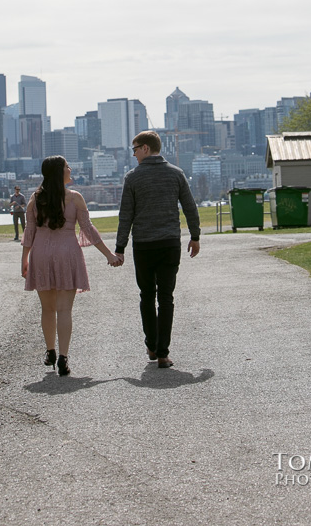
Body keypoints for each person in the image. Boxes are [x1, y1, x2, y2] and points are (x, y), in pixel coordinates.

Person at [21, 155, 121, 376]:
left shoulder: (35, 199)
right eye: (67, 166)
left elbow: (29, 232)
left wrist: (24, 259)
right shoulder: (75, 198)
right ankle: (64, 358)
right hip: (67, 253)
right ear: (60, 172)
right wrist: (109, 255)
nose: (70, 168)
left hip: (41, 254)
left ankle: (50, 351)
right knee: (64, 309)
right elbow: (88, 229)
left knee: (47, 309)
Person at [114, 130, 200, 368]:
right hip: (169, 243)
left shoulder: (132, 178)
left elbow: (126, 216)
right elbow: (190, 207)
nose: (133, 155)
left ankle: (151, 345)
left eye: (135, 149)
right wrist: (195, 236)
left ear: (146, 148)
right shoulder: (176, 174)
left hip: (143, 245)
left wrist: (120, 247)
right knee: (166, 297)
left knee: (146, 296)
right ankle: (163, 353)